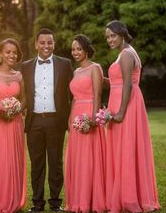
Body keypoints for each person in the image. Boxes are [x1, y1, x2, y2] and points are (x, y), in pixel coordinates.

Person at [104, 20, 161, 213]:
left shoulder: (127, 54)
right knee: (128, 147)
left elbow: (127, 84)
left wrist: (120, 111)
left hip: (126, 105)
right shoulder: (127, 51)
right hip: (131, 101)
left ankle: (129, 197)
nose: (110, 39)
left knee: (126, 148)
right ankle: (131, 193)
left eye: (113, 35)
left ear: (122, 34)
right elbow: (117, 82)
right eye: (107, 37)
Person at [21, 28, 73, 212]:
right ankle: (37, 202)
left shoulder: (65, 64)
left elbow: (76, 88)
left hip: (55, 120)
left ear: (54, 44)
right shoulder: (25, 66)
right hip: (34, 120)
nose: (46, 46)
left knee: (55, 162)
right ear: (36, 44)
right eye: (42, 42)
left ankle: (55, 202)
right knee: (37, 163)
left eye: (49, 42)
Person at [65, 34, 106, 213]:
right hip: (75, 117)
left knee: (90, 158)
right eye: (73, 49)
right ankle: (77, 199)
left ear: (86, 49)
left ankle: (92, 199)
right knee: (78, 159)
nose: (75, 52)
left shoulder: (95, 68)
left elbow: (97, 95)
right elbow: (74, 98)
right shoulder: (75, 72)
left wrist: (93, 118)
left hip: (89, 113)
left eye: (79, 49)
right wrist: (69, 120)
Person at [0, 38, 26, 213]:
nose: (11, 55)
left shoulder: (19, 75)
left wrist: (17, 110)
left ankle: (13, 200)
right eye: (8, 52)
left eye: (14, 52)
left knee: (14, 160)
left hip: (15, 123)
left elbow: (24, 99)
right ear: (0, 53)